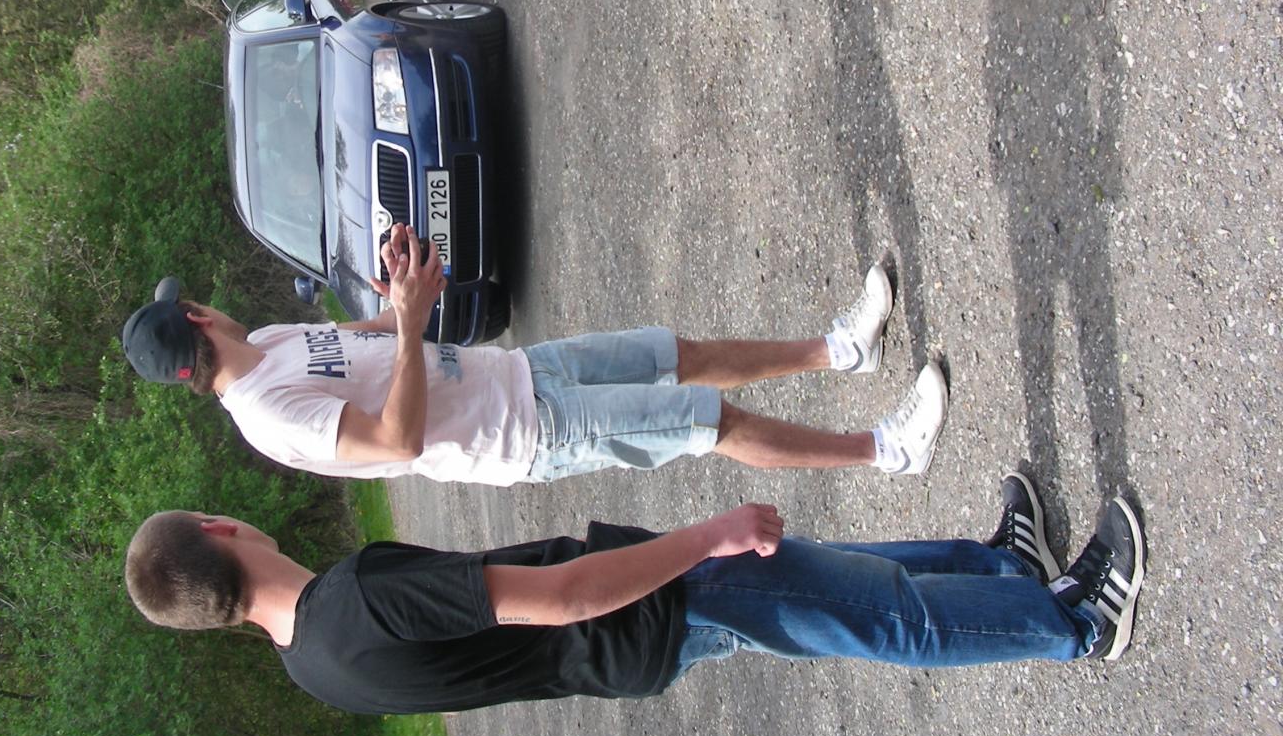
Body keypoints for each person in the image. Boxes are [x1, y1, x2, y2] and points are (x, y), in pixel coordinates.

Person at [122, 471, 1147, 714]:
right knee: (868, 615)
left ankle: (999, 569)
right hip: (646, 608)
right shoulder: (353, 599)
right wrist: (704, 536)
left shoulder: (313, 668)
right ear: (220, 530)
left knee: (830, 575)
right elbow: (561, 595)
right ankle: (1074, 624)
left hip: (629, 645)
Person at [119, 223, 947, 485]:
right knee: (707, 421)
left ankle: (842, 350)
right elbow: (395, 443)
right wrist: (409, 327)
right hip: (525, 434)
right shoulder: (267, 416)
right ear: (196, 317)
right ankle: (887, 451)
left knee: (678, 354)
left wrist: (402, 294)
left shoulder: (267, 345)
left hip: (519, 372)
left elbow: (372, 343)